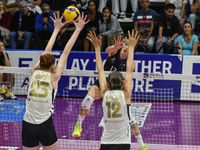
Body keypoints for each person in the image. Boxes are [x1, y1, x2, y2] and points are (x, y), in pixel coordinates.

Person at [22, 12, 89, 150]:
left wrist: (56, 29)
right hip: (45, 125)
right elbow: (66, 51)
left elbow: (47, 51)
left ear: (40, 62)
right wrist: (77, 30)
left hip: (27, 124)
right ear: (53, 66)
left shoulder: (34, 71)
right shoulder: (54, 76)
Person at [86, 30, 148, 150]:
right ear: (122, 83)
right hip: (123, 143)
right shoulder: (126, 94)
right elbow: (129, 71)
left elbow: (100, 70)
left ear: (108, 83)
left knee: (133, 120)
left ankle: (142, 144)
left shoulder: (104, 92)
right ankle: (142, 145)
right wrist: (131, 46)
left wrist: (97, 48)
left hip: (106, 143)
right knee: (132, 120)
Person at [72, 33, 137, 137]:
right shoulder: (115, 51)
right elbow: (107, 50)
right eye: (125, 44)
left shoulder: (131, 63)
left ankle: (137, 140)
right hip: (102, 83)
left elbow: (127, 80)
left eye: (129, 46)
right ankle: (78, 125)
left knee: (128, 114)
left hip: (115, 88)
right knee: (88, 99)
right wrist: (115, 47)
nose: (126, 47)